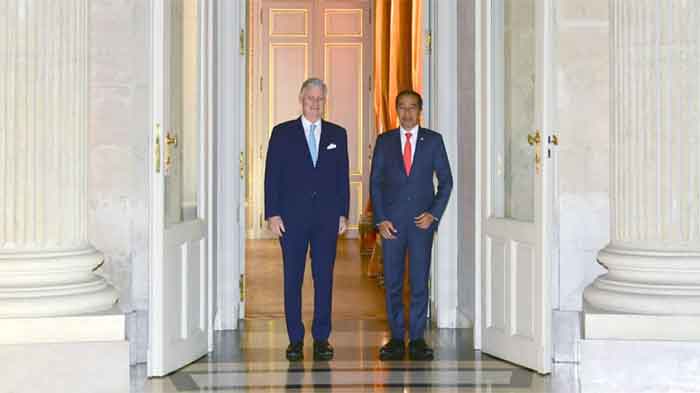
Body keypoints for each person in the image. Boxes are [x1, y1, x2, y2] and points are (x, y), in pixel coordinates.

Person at [264, 78, 350, 361]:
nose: (315, 104)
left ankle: (322, 338)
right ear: (301, 99)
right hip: (291, 219)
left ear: (325, 101)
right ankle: (295, 339)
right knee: (293, 278)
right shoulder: (282, 133)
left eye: (320, 99)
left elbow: (342, 178)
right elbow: (272, 176)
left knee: (324, 278)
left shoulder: (338, 134)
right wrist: (272, 213)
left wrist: (343, 213)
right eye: (310, 98)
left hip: (326, 218)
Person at [369, 90, 453, 361]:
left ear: (420, 111)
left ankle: (416, 339)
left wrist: (433, 214)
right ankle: (395, 338)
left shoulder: (433, 141)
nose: (407, 113)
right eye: (402, 108)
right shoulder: (385, 141)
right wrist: (380, 219)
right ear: (396, 110)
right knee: (392, 282)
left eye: (412, 108)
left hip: (421, 225)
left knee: (419, 281)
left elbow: (446, 181)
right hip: (391, 224)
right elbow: (376, 183)